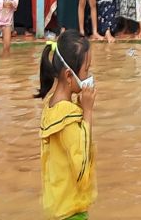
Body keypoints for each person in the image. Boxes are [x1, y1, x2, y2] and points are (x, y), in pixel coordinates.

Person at [37, 31, 97, 220]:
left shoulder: (51, 107)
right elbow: (82, 170)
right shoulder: (68, 117)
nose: (89, 76)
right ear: (69, 75)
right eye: (86, 70)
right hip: (73, 213)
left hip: (58, 208)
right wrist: (87, 112)